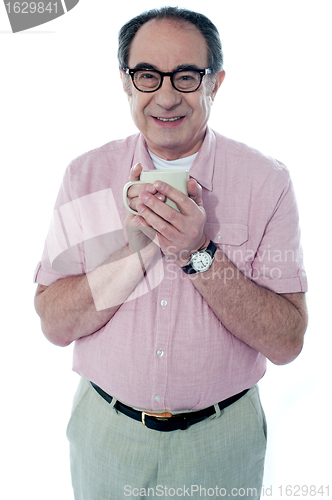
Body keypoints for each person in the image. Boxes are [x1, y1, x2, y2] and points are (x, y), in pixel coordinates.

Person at [34, 6, 308, 500]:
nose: (165, 95)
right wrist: (136, 250)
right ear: (126, 82)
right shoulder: (85, 176)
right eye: (146, 75)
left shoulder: (268, 182)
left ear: (215, 83)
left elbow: (288, 342)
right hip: (106, 435)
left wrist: (198, 252)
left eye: (185, 76)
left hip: (222, 441)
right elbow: (53, 324)